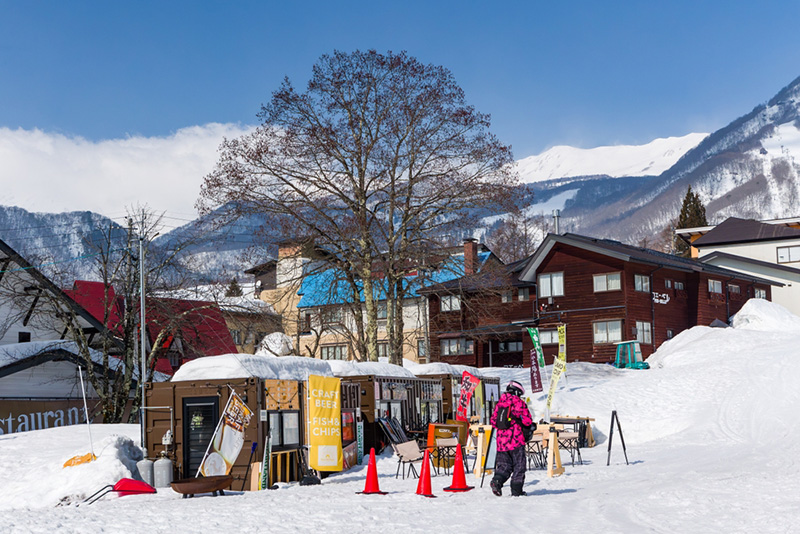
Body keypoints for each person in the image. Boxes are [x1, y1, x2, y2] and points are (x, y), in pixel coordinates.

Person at [490, 380, 534, 497]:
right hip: (515, 440)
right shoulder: (518, 403)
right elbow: (527, 421)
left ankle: (497, 481)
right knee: (519, 466)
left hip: (501, 442)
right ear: (518, 392)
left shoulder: (500, 403)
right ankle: (517, 491)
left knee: (504, 466)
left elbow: (493, 421)